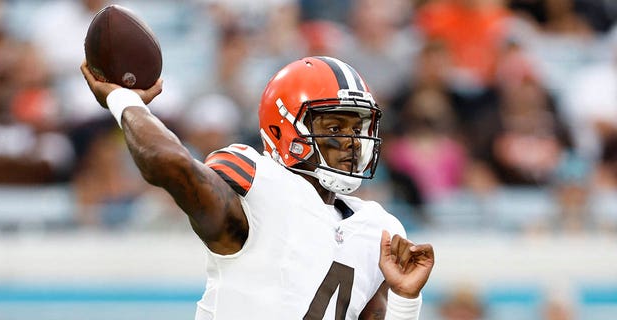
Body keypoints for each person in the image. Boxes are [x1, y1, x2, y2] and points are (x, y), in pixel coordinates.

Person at [81, 55, 434, 319]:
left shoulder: (378, 228)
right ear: (282, 130)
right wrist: (122, 100)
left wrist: (406, 300)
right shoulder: (259, 184)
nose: (353, 142)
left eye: (357, 128)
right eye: (335, 127)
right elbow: (168, 164)